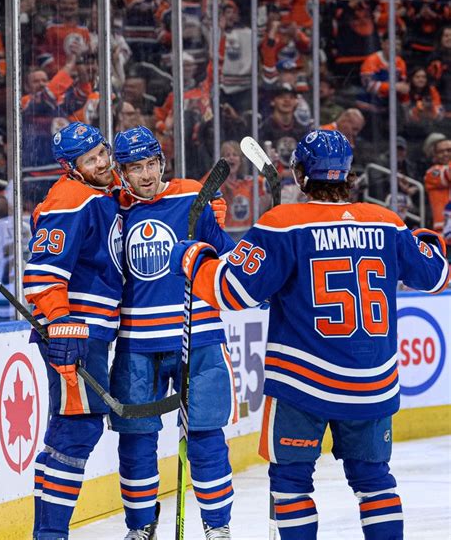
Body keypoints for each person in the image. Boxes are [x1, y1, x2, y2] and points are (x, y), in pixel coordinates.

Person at [170, 129, 450, 540]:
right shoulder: (387, 222)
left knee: (291, 482)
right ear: (348, 175)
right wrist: (423, 239)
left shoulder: (282, 224)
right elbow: (436, 274)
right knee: (375, 483)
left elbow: (231, 291)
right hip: (372, 383)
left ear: (300, 175)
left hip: (302, 385)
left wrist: (194, 257)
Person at [109, 126, 237, 540]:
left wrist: (217, 228)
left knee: (205, 434)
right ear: (121, 171)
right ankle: (141, 524)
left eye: (151, 164)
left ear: (162, 162)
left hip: (197, 334)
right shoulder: (112, 207)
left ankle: (217, 526)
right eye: (134, 168)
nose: (145, 175)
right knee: (135, 438)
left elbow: (226, 257)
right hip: (135, 341)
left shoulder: (192, 195)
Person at [23, 122, 123, 540]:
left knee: (64, 430)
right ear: (72, 167)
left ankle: (45, 534)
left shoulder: (98, 194)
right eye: (91, 159)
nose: (102, 162)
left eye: (102, 151)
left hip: (87, 331)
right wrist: (62, 324)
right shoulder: (70, 199)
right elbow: (43, 275)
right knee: (78, 429)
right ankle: (50, 535)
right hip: (75, 333)